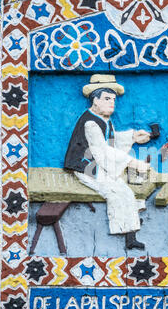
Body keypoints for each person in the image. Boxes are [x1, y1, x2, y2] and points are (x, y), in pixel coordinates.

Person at [64, 74, 151, 250]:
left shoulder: (104, 119)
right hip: (86, 167)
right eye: (106, 98)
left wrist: (133, 136)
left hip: (97, 165)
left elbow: (110, 140)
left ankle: (130, 219)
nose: (112, 102)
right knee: (120, 192)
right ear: (95, 100)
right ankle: (129, 234)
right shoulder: (90, 123)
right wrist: (133, 163)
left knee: (127, 189)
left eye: (113, 99)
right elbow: (102, 150)